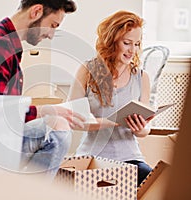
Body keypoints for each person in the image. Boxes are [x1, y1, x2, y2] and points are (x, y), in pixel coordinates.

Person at [0, 0, 86, 178]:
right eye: (52, 25)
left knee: (55, 122)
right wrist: (46, 111)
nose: (51, 35)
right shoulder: (0, 45)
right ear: (36, 12)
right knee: (57, 131)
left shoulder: (3, 41)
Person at [68, 10, 152, 186]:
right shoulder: (87, 71)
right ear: (112, 41)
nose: (133, 50)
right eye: (127, 43)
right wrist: (107, 122)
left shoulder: (142, 77)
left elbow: (146, 130)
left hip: (130, 159)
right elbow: (74, 119)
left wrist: (140, 129)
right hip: (92, 158)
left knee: (153, 182)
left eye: (137, 44)